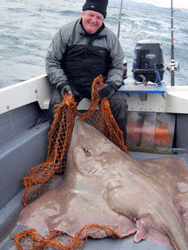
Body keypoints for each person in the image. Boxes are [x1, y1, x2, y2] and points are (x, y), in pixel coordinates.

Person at [45, 0, 128, 142]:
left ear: (103, 19)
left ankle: (118, 148)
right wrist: (63, 85)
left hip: (98, 86)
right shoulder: (66, 32)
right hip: (70, 84)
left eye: (99, 17)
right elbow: (52, 62)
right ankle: (58, 152)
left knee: (119, 104)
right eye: (91, 15)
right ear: (83, 14)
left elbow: (118, 66)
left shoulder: (110, 38)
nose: (94, 20)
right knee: (56, 104)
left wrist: (111, 86)